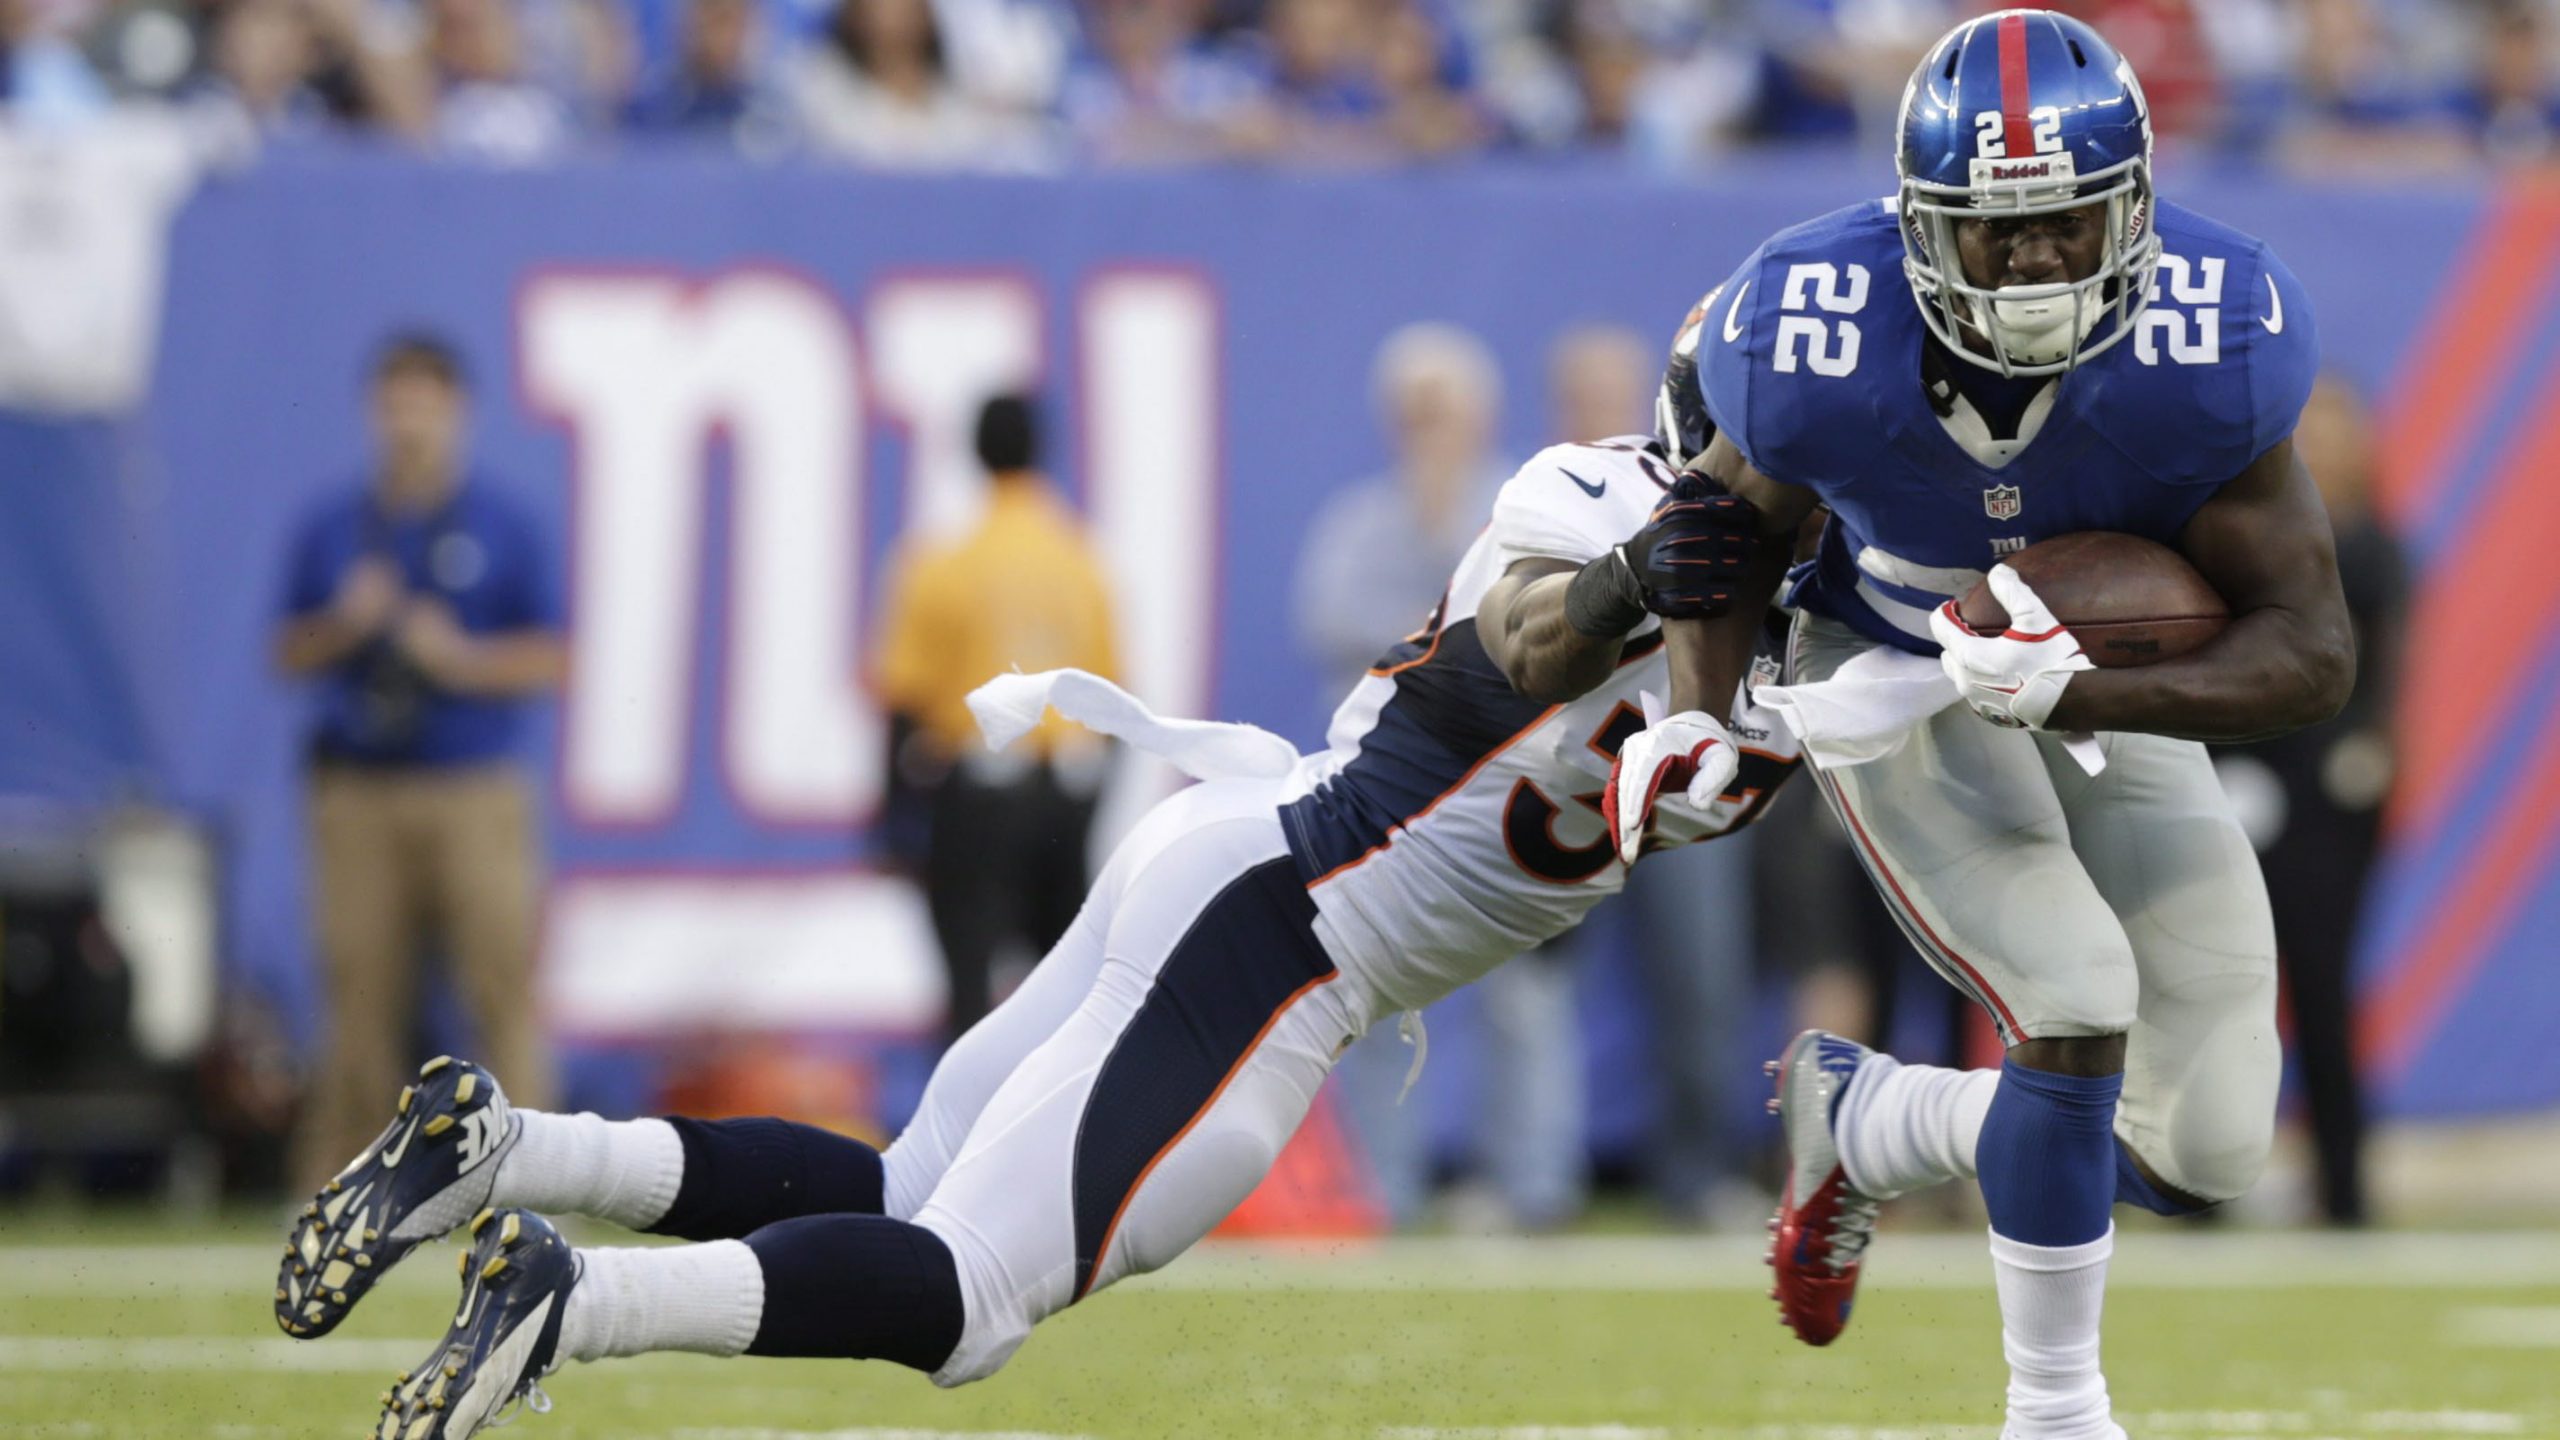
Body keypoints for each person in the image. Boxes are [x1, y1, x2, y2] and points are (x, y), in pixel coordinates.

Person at [276, 431, 1797, 1437]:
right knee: (972, 1299)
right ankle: (576, 1305)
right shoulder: (1593, 501)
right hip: (1288, 927)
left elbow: (1754, 728)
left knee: (904, 1190)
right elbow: (1531, 635)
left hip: (1239, 872)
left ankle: (503, 1150)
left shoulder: (1799, 651)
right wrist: (1635, 577)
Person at [1607, 12, 2344, 1438]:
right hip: (1890, 672)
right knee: (2074, 996)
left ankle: (1870, 1121)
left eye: (2067, 223)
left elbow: (2311, 653)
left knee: (2206, 1148)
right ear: (1917, 225)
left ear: (2134, 208)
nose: (2033, 263)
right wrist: (1699, 714)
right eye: (1995, 231)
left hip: (2084, 687)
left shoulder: (2211, 330)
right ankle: (2056, 1410)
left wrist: (2081, 691)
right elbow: (1720, 536)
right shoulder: (1817, 321)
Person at [274, 333, 565, 1196]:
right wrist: (347, 623)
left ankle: (534, 1181)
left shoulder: (505, 522)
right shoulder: (335, 525)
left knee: (499, 984)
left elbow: (554, 654)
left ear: (458, 413)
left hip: (472, 784)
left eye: (424, 405)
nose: (408, 424)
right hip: (360, 787)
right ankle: (343, 1191)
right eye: (395, 404)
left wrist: (461, 659)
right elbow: (286, 651)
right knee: (358, 992)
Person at [871, 394, 1120, 1046]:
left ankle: (971, 1109)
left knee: (968, 985)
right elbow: (1114, 708)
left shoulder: (946, 562)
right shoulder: (1079, 561)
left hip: (978, 800)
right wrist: (1090, 813)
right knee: (1066, 999)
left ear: (976, 452)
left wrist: (892, 823)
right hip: (1065, 791)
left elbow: (904, 705)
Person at [2216, 373, 2405, 1226]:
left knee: (2323, 986)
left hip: (2329, 796)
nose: (2322, 447)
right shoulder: (2244, 536)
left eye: (2336, 431)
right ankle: (2201, 1188)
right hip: (2240, 775)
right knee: (2215, 983)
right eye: (2308, 433)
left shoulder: (2372, 548)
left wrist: (2371, 751)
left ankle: (2344, 1187)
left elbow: (2387, 670)